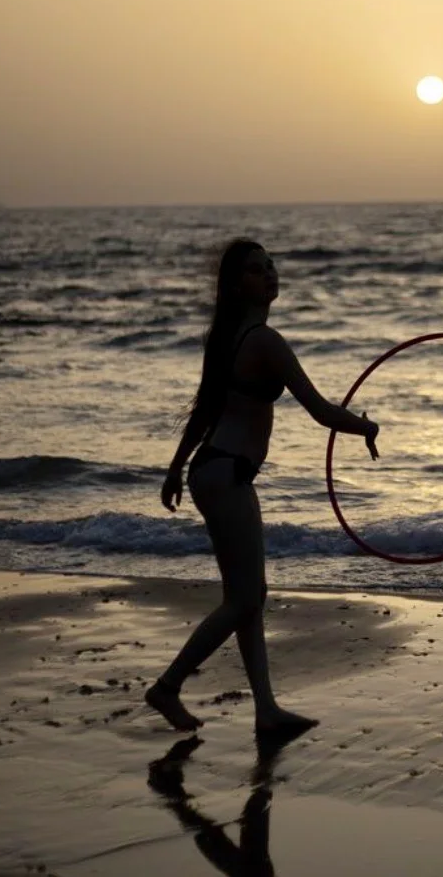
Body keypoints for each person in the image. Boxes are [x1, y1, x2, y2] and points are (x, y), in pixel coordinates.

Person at [150, 237, 380, 737]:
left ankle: (266, 710)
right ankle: (168, 687)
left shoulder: (228, 336)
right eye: (258, 270)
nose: (270, 274)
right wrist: (366, 428)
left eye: (272, 265)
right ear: (237, 284)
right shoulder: (263, 342)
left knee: (250, 594)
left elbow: (206, 410)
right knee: (242, 600)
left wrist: (175, 468)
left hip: (216, 471)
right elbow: (319, 410)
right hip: (226, 473)